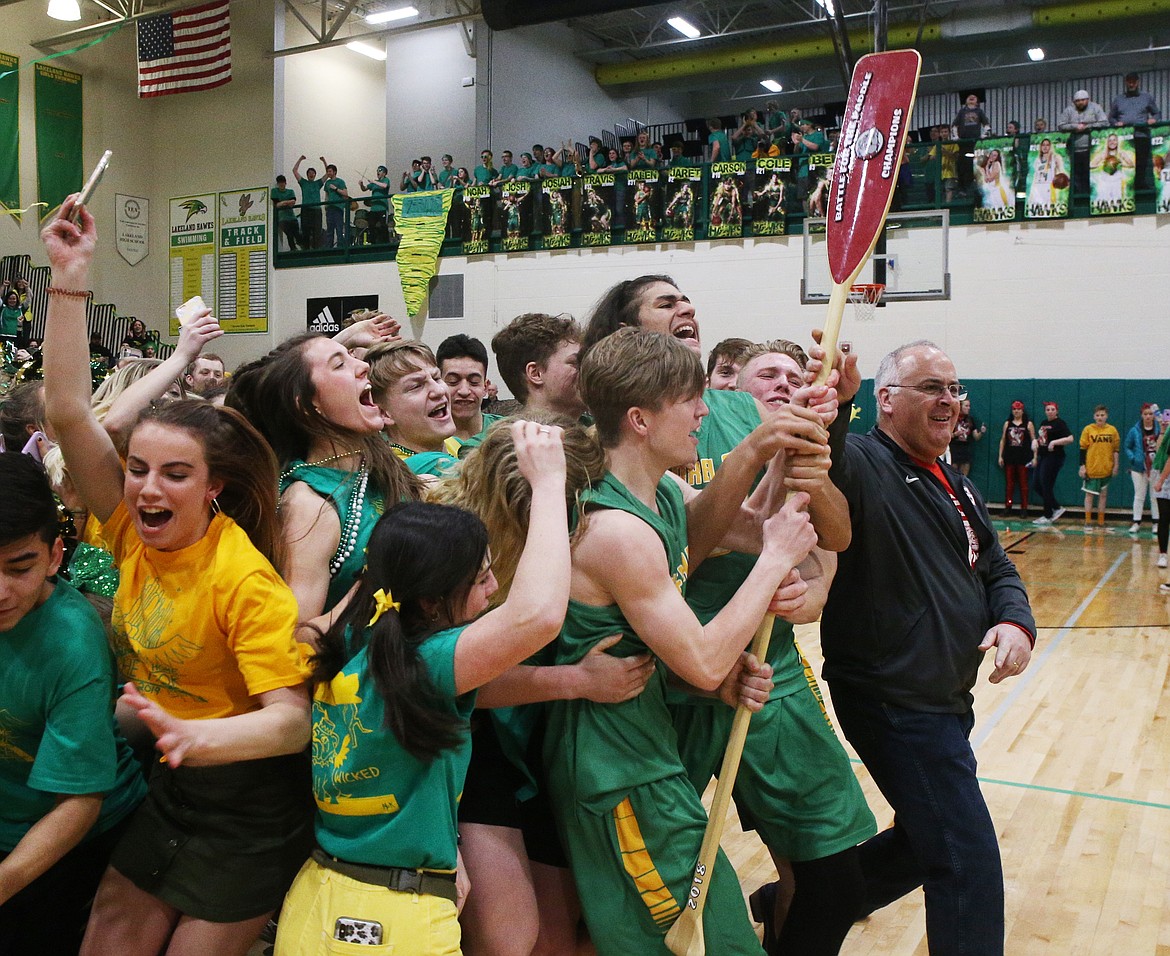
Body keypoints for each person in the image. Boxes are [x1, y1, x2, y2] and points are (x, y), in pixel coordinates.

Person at [41, 195, 313, 956]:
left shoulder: (243, 579)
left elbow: (291, 723)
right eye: (136, 470)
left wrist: (197, 736)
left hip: (248, 803)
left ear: (213, 486)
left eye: (174, 474)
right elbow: (67, 409)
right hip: (172, 784)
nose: (147, 488)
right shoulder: (129, 527)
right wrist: (70, 276)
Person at [545, 327, 815, 955]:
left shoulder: (661, 491)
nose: (704, 411)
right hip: (615, 771)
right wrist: (775, 565)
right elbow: (699, 658)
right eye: (690, 399)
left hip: (645, 752)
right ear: (639, 419)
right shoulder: (614, 530)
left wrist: (787, 450)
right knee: (708, 945)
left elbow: (755, 527)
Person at [275, 422, 574, 956]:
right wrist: (549, 484)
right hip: (394, 925)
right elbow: (539, 616)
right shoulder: (426, 663)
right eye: (481, 579)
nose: (494, 587)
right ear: (432, 602)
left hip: (314, 903)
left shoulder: (343, 649)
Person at [823, 340, 1036, 956]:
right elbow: (827, 465)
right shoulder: (864, 461)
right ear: (884, 400)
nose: (949, 401)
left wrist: (1016, 623)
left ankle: (821, 896)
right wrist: (836, 406)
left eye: (953, 389)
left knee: (926, 838)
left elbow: (996, 568)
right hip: (893, 699)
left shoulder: (960, 486)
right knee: (966, 862)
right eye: (931, 388)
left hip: (943, 699)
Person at [0, 453, 145, 956]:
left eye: (19, 567)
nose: (0, 592)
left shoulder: (72, 645)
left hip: (72, 837)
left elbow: (79, 804)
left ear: (55, 555)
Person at [227, 327, 421, 623]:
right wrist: (376, 586)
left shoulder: (376, 464)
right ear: (307, 406)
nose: (364, 366)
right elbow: (296, 635)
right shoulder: (308, 506)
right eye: (340, 364)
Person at [366, 340, 459, 478]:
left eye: (437, 377)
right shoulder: (396, 471)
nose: (439, 390)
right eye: (416, 386)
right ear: (383, 413)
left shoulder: (457, 444)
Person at [491, 313, 588, 420]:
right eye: (576, 362)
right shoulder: (502, 437)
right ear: (535, 373)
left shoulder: (602, 431)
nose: (589, 368)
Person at [436, 333, 501, 447]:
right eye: (453, 381)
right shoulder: (425, 435)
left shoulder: (505, 431)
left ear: (485, 387)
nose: (464, 391)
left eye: (474, 382)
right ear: (438, 384)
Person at [1108, 72, 1161, 190]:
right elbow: (1111, 117)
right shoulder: (1118, 99)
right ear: (1126, 82)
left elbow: (1157, 113)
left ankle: (1140, 185)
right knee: (1124, 161)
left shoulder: (1146, 97)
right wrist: (1116, 123)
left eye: (1133, 81)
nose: (1131, 84)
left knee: (1141, 162)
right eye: (1129, 81)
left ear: (1138, 82)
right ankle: (1125, 186)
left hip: (1142, 135)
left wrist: (1153, 119)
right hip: (1124, 137)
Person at [1079, 404, 1121, 531]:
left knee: (1103, 496)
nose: (1100, 417)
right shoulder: (1088, 429)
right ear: (1094, 416)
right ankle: (1087, 521)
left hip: (1106, 469)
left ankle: (1101, 522)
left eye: (1102, 415)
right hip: (1092, 469)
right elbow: (1082, 449)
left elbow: (1116, 450)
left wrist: (1116, 465)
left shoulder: (1112, 430)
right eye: (1097, 415)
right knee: (1089, 495)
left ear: (1106, 416)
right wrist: (1082, 466)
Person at [1058, 89, 1108, 191]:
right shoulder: (1069, 110)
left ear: (1088, 100)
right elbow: (1061, 125)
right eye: (1078, 101)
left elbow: (1104, 122)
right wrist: (1075, 126)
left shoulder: (1096, 108)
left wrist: (1087, 126)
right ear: (1074, 102)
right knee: (1075, 176)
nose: (1080, 102)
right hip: (1073, 150)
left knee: (1090, 174)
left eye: (1083, 100)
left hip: (1092, 149)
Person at [1032, 401, 1073, 525]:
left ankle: (1048, 515)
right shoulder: (1044, 423)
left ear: (1056, 411)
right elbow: (1041, 439)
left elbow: (1070, 438)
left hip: (1054, 457)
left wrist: (1055, 442)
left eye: (1052, 409)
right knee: (1036, 484)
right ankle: (1056, 507)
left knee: (1046, 484)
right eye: (1048, 409)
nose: (1050, 411)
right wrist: (1035, 443)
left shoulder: (1060, 423)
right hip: (1043, 456)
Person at [1124, 403, 1162, 533]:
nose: (1148, 416)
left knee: (1154, 496)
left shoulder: (1159, 429)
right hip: (1139, 468)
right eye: (1145, 414)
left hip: (1155, 467)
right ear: (1141, 415)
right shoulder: (1134, 430)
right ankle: (1136, 522)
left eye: (1150, 414)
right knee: (1139, 495)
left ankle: (1156, 523)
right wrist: (1134, 458)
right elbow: (1127, 446)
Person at [998, 400, 1036, 517]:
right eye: (1014, 409)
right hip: (1010, 457)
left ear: (1022, 410)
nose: (1016, 411)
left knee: (1024, 485)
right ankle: (1008, 506)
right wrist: (1000, 456)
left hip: (1023, 458)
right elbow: (1003, 440)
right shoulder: (1007, 424)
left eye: (1018, 409)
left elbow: (1034, 441)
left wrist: (1035, 457)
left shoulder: (1028, 424)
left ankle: (1024, 508)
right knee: (1010, 484)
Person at [952, 93, 990, 196]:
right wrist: (956, 137)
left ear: (977, 101)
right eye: (969, 97)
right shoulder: (962, 112)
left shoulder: (979, 112)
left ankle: (972, 187)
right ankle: (962, 186)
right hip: (964, 142)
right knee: (962, 163)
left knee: (973, 163)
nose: (971, 97)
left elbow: (986, 125)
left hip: (974, 142)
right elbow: (954, 125)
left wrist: (984, 135)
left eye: (974, 97)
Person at [949, 398, 987, 476]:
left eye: (969, 406)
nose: (968, 408)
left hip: (966, 449)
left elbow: (976, 436)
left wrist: (981, 432)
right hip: (954, 448)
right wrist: (955, 434)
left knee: (964, 475)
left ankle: (963, 487)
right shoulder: (952, 418)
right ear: (960, 406)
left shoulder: (970, 420)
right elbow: (945, 436)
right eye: (966, 406)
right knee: (953, 473)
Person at [293, 155, 324, 249]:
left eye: (313, 173)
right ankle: (306, 250)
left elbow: (327, 173)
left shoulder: (318, 183)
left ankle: (316, 251)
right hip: (306, 210)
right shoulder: (303, 183)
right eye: (309, 173)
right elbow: (294, 170)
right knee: (305, 231)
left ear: (315, 175)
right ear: (307, 175)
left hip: (316, 210)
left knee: (317, 232)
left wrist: (324, 161)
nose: (311, 174)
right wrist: (300, 159)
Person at [1028, 136, 1067, 209]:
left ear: (1050, 146)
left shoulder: (1055, 157)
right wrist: (1031, 192)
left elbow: (1062, 171)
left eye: (1047, 145)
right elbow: (1035, 176)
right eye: (1043, 145)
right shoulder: (1037, 160)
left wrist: (1066, 180)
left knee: (1049, 209)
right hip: (1037, 187)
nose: (1045, 147)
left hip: (1049, 187)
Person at [1152, 424, 1170, 575]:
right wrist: (1163, 430)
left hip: (1165, 476)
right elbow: (1160, 450)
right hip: (1163, 471)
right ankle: (1163, 554)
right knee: (1164, 517)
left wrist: (1160, 481)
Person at [320, 162, 350, 249]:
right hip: (330, 208)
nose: (328, 173)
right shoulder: (327, 183)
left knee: (339, 228)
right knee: (330, 229)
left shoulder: (340, 181)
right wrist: (326, 205)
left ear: (334, 172)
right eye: (327, 171)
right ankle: (329, 247)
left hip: (338, 208)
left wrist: (336, 189)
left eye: (330, 171)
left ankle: (340, 246)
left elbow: (345, 194)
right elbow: (327, 195)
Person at [360, 165, 391, 244]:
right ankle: (373, 242)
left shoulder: (385, 180)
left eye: (380, 171)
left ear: (384, 173)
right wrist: (361, 184)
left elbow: (384, 186)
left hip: (382, 207)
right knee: (371, 225)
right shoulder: (374, 184)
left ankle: (385, 243)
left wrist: (374, 181)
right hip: (374, 208)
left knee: (383, 225)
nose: (378, 172)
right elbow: (364, 189)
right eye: (377, 171)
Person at [271, 175, 300, 251]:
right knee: (289, 234)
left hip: (292, 217)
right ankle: (293, 249)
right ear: (277, 184)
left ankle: (302, 247)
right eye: (279, 183)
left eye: (282, 183)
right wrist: (287, 202)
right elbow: (277, 204)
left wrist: (283, 203)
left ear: (285, 183)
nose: (281, 184)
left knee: (297, 234)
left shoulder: (290, 191)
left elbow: (293, 202)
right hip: (282, 219)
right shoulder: (274, 191)